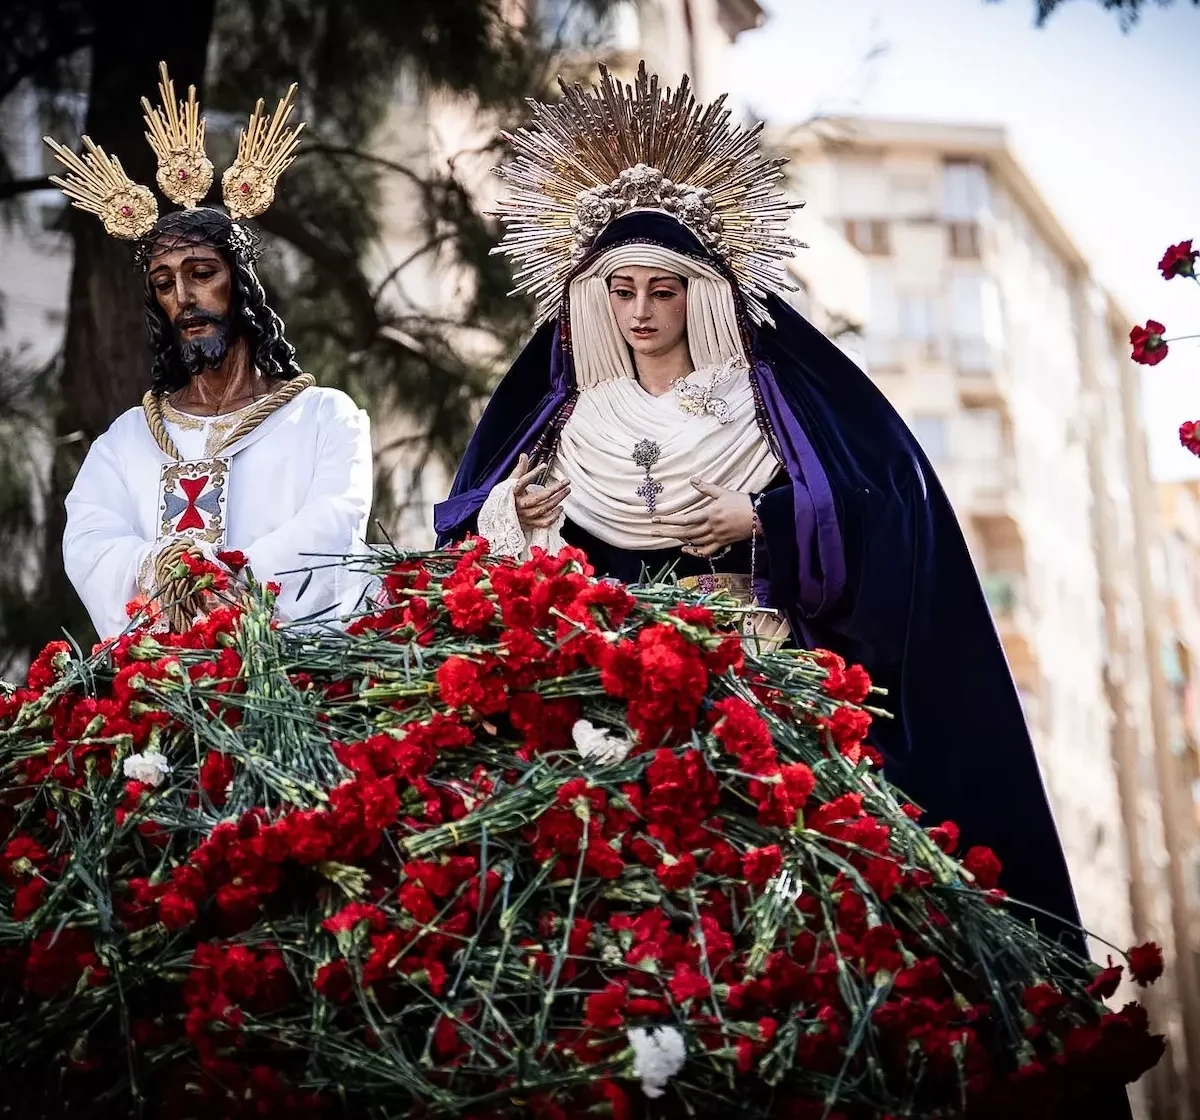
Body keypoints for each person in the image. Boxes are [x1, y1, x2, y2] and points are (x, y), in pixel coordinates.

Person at [436, 63, 1085, 955]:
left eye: (662, 289)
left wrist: (763, 522)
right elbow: (478, 544)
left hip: (763, 691)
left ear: (700, 292)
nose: (640, 312)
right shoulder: (568, 421)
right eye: (621, 291)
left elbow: (894, 516)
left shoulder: (768, 400)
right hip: (607, 708)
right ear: (594, 297)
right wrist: (519, 512)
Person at [49, 64, 372, 639]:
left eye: (202, 273)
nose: (185, 297)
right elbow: (89, 539)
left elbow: (334, 523)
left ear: (241, 284)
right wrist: (163, 573)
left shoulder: (323, 416)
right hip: (165, 682)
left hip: (294, 672)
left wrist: (229, 579)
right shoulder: (127, 440)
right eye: (165, 283)